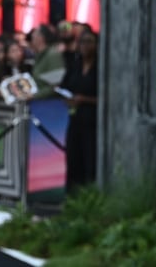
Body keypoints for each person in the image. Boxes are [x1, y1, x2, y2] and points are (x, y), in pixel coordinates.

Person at [60, 28, 98, 191]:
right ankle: (72, 197)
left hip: (93, 122)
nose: (85, 46)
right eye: (82, 42)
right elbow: (64, 86)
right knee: (73, 159)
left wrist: (84, 99)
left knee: (90, 161)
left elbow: (107, 98)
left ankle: (90, 196)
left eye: (89, 42)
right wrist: (67, 98)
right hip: (75, 119)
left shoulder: (100, 68)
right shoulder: (75, 65)